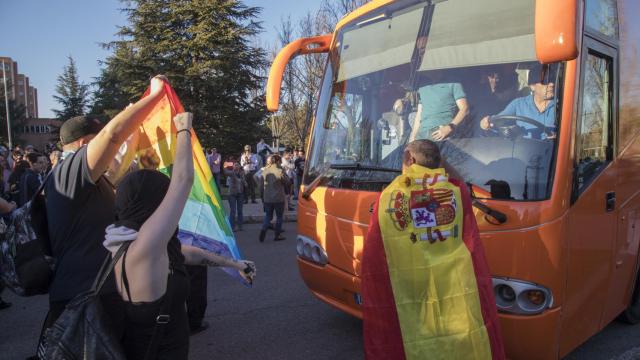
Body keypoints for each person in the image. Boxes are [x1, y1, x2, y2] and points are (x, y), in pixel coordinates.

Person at [104, 112, 255, 359]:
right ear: (152, 204)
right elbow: (183, 180)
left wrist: (235, 264)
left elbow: (188, 253)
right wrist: (184, 129)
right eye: (162, 199)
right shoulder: (144, 248)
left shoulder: (124, 240)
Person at [40, 76, 173, 347]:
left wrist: (135, 123)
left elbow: (119, 162)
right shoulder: (70, 171)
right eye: (95, 140)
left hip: (93, 295)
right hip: (82, 298)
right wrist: (154, 97)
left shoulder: (89, 181)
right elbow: (113, 136)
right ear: (81, 145)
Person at [361, 139, 505, 359]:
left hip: (410, 286)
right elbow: (459, 179)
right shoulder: (457, 192)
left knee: (417, 336)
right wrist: (437, 159)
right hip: (453, 286)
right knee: (455, 336)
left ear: (409, 159)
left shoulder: (388, 198)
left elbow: (375, 252)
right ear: (438, 161)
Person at [480, 65, 556, 139]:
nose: (551, 84)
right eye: (546, 82)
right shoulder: (518, 104)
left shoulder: (562, 106)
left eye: (552, 81)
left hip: (553, 150)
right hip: (523, 149)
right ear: (532, 86)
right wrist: (487, 122)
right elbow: (499, 120)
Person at [409, 71, 470, 142]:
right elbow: (419, 114)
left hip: (441, 133)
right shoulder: (422, 86)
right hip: (421, 135)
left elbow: (464, 109)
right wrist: (413, 136)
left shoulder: (453, 82)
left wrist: (450, 127)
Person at [258, 154, 287, 242]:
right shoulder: (280, 170)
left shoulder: (265, 171)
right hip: (278, 197)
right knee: (279, 217)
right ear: (276, 161)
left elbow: (260, 186)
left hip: (267, 197)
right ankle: (277, 235)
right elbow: (286, 181)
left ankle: (264, 228)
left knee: (268, 215)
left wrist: (262, 195)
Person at [224, 162, 246, 231]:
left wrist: (245, 182)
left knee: (240, 211)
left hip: (240, 194)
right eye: (235, 165)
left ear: (239, 166)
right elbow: (225, 171)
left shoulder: (242, 173)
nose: (236, 166)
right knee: (233, 211)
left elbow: (244, 182)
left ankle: (240, 226)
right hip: (232, 194)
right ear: (233, 167)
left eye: (238, 165)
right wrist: (225, 165)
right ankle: (232, 227)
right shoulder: (231, 173)